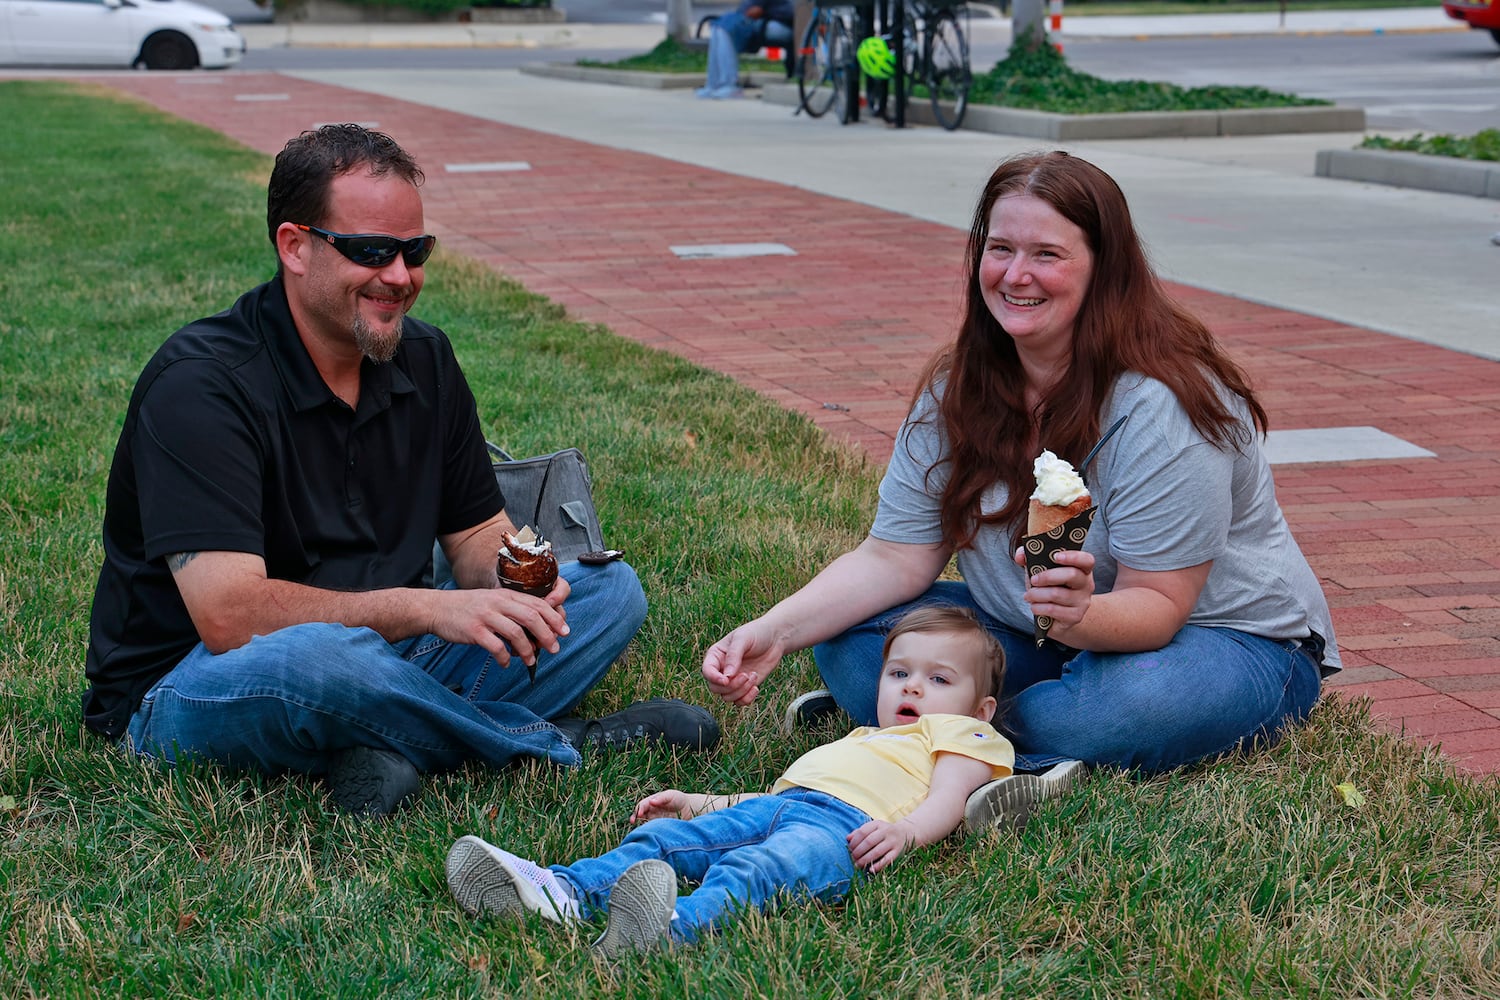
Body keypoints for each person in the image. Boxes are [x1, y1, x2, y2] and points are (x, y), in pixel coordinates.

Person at [82, 124, 718, 817]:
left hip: (389, 649)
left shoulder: (425, 358)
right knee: (322, 663)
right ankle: (552, 742)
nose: (400, 276)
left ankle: (379, 742)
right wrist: (433, 608)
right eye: (371, 251)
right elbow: (231, 617)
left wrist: (520, 587)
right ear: (294, 246)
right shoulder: (202, 385)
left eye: (415, 251)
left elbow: (477, 532)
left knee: (610, 590)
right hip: (199, 683)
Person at [702, 150, 1339, 791]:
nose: (1016, 275)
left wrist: (1077, 617)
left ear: (1104, 269)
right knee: (850, 640)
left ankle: (933, 737)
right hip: (1035, 636)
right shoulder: (958, 389)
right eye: (1000, 248)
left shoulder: (1161, 404)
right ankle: (975, 734)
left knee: (1135, 704)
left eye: (1047, 255)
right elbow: (895, 558)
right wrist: (774, 631)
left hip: (1221, 640)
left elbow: (1160, 605)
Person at [444, 605, 1018, 956]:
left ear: (982, 708)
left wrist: (908, 833)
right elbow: (767, 799)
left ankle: (671, 930)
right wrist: (697, 802)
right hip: (783, 805)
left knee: (760, 868)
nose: (912, 688)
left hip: (850, 833)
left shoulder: (966, 736)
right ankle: (560, 892)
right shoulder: (862, 736)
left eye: (937, 678)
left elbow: (950, 798)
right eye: (899, 673)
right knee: (666, 841)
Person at [696, 0, 796, 100]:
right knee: (718, 27)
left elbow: (756, 11)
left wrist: (738, 19)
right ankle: (713, 84)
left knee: (726, 27)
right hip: (763, 22)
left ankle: (730, 85)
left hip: (779, 25)